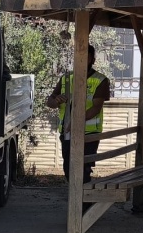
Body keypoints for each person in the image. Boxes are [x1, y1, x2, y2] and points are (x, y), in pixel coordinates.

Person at [45, 45, 110, 184]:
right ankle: (78, 203)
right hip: (67, 133)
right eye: (78, 56)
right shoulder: (66, 78)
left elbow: (96, 108)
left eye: (86, 56)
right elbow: (50, 101)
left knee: (83, 169)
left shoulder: (101, 80)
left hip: (89, 135)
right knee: (69, 168)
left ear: (93, 59)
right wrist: (55, 101)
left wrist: (76, 123)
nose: (81, 59)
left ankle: (84, 204)